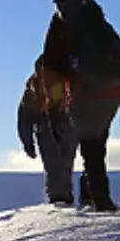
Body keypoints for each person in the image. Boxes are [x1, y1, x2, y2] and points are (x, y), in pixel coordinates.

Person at [42, 0, 120, 212]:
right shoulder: (99, 21)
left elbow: (52, 70)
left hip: (84, 95)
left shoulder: (62, 24)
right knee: (97, 146)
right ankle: (93, 195)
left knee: (91, 150)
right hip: (111, 96)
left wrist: (54, 107)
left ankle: (101, 202)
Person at [17, 56, 78, 206]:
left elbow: (24, 118)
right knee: (65, 163)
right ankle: (63, 196)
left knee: (53, 165)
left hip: (46, 127)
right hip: (68, 125)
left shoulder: (33, 87)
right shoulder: (68, 81)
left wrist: (28, 143)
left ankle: (58, 198)